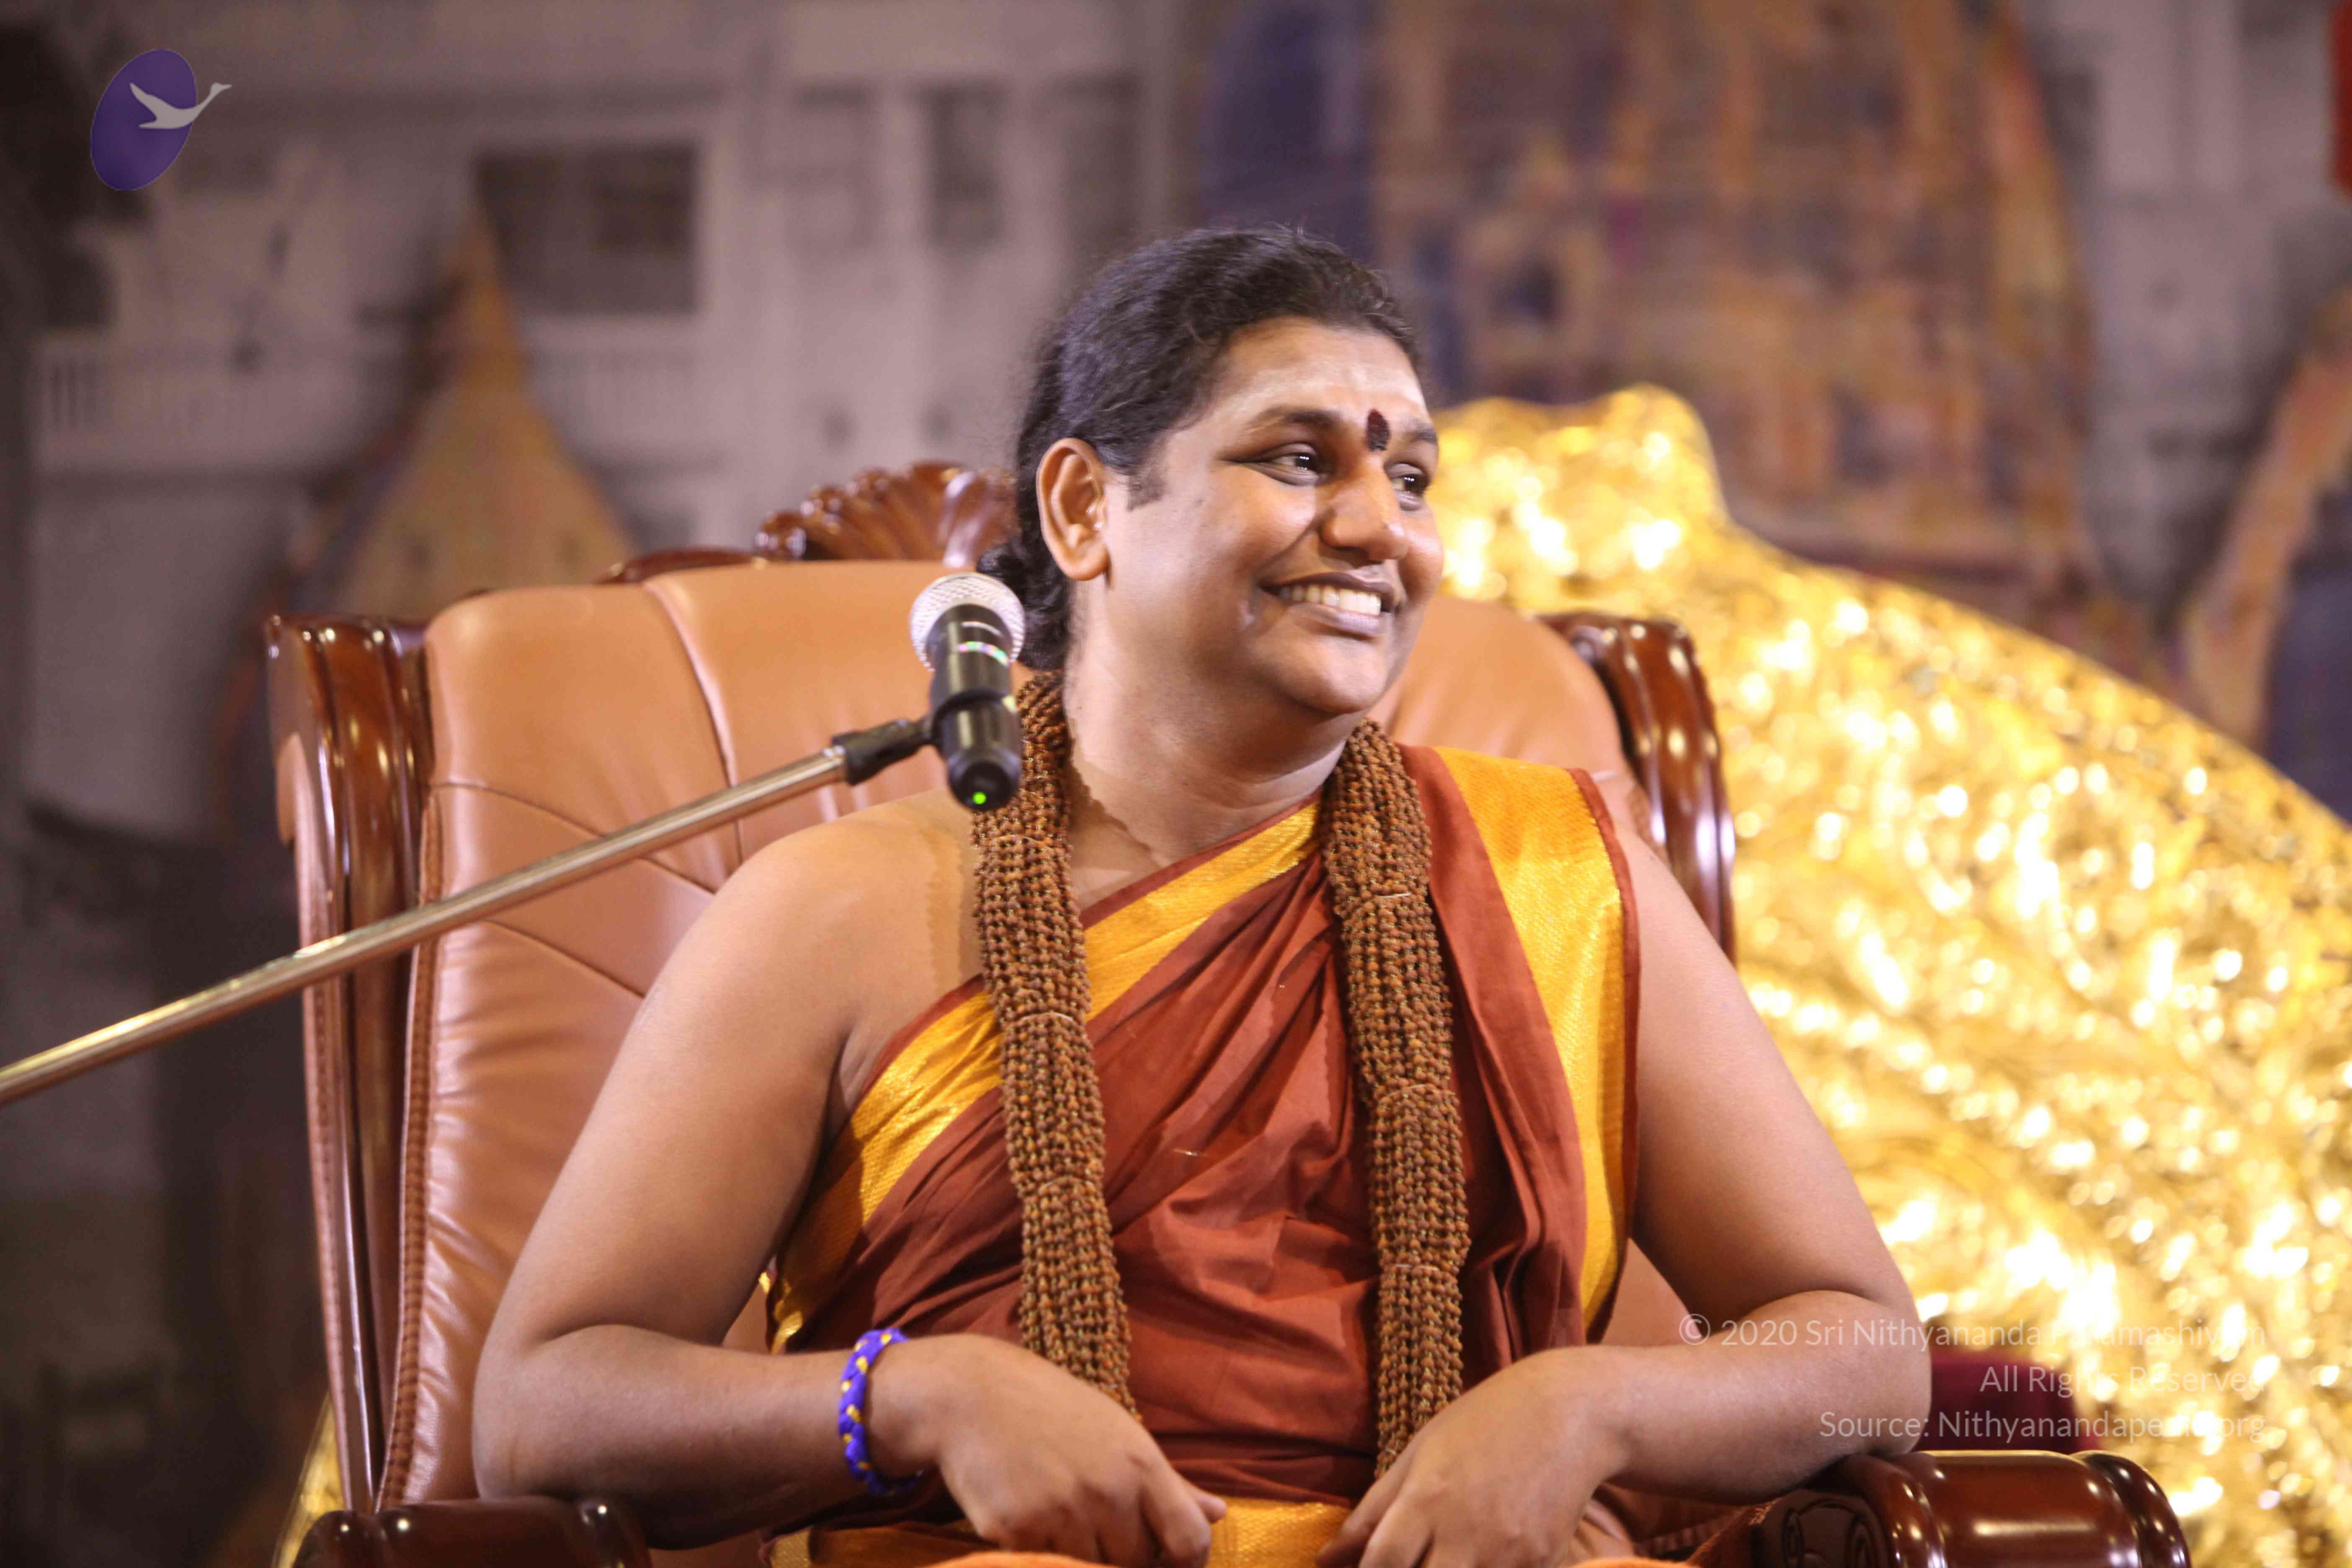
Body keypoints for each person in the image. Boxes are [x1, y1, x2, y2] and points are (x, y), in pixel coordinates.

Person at [472, 228, 1930, 1568]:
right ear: (1083, 508)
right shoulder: (837, 910)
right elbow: (545, 1411)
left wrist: (1585, 1412)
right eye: (1298, 459)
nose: (1381, 530)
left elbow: (1871, 1357)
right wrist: (916, 1400)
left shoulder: (1561, 869)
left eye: (1411, 479)